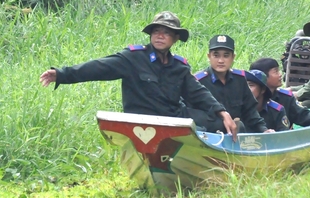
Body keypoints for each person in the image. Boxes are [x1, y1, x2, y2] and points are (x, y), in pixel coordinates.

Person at [39, 11, 238, 140]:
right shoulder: (133, 58)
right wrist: (61, 74)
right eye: (156, 31)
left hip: (174, 118)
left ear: (176, 38)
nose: (160, 36)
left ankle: (221, 159)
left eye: (166, 33)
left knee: (224, 123)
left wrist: (222, 112)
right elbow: (98, 67)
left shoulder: (180, 66)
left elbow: (197, 93)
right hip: (144, 122)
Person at [188, 35, 269, 134]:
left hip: (236, 136)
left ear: (233, 57)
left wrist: (264, 130)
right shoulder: (198, 81)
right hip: (208, 137)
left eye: (226, 55)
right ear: (209, 56)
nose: (221, 61)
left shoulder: (239, 80)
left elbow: (250, 112)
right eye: (216, 55)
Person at [246, 69, 310, 130]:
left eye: (250, 85)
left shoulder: (276, 110)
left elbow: (302, 115)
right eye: (244, 85)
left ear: (262, 89)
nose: (246, 89)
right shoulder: (238, 107)